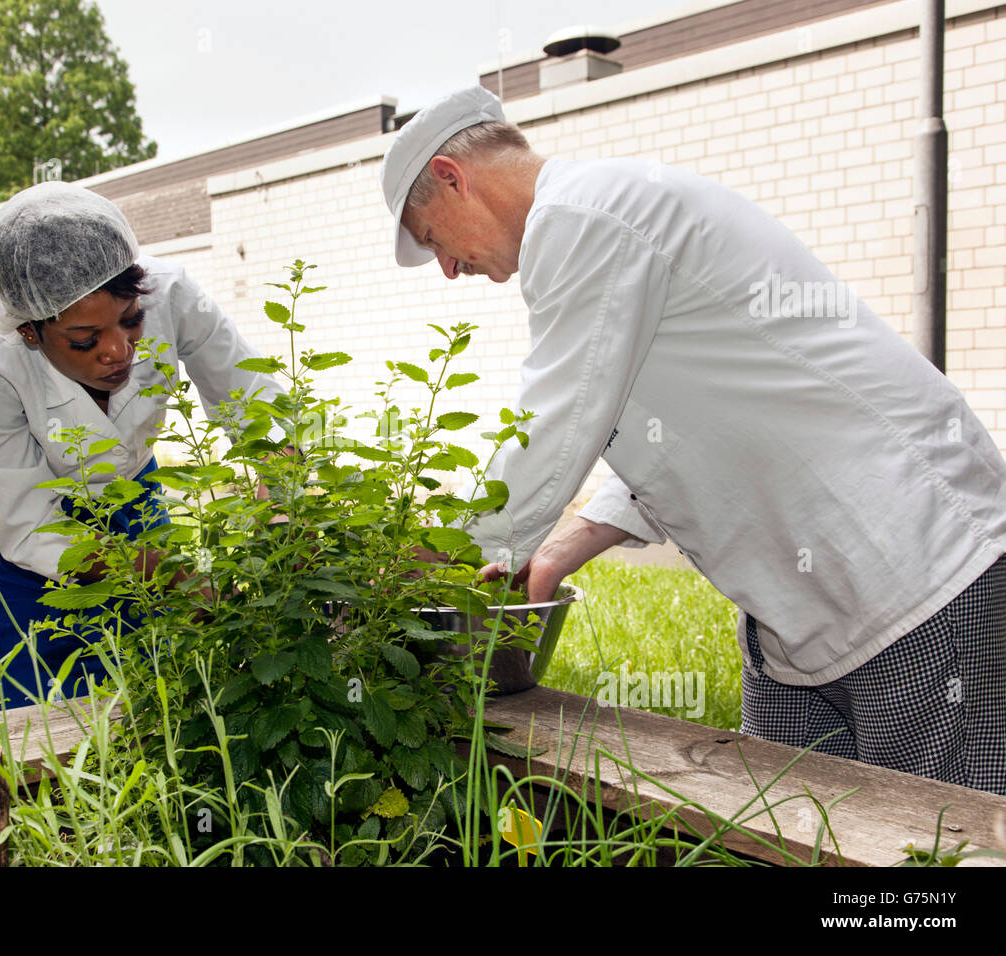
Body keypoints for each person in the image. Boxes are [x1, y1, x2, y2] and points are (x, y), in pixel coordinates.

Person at [379, 85, 1006, 795]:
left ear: (453, 177)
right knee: (773, 821)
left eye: (433, 239)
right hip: (800, 603)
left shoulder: (584, 216)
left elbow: (556, 417)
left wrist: (449, 558)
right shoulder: (600, 221)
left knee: (932, 847)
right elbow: (656, 427)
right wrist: (555, 552)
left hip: (917, 565)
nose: (450, 269)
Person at [0, 181, 282, 708]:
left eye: (131, 320)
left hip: (129, 495)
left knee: (161, 686)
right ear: (30, 332)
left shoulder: (171, 292)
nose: (118, 350)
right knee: (27, 705)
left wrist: (282, 505)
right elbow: (29, 526)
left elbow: (258, 402)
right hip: (3, 528)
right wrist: (176, 576)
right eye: (84, 340)